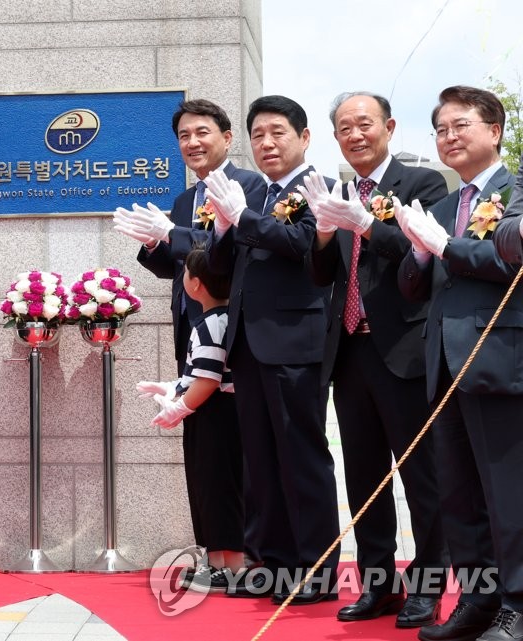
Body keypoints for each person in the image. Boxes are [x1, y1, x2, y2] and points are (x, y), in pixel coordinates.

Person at [299, 91, 449, 628]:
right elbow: (323, 277)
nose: (355, 135)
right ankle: (378, 584)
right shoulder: (336, 193)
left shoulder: (422, 183)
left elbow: (419, 253)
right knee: (363, 478)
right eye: (344, 128)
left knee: (422, 477)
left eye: (364, 124)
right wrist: (321, 233)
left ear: (388, 126)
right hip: (349, 352)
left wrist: (364, 223)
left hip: (404, 352)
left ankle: (429, 588)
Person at [395, 86, 523, 641]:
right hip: (443, 365)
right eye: (441, 128)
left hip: (499, 361)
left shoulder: (517, 192)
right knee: (459, 493)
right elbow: (411, 285)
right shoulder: (443, 206)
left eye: (461, 125)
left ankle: (517, 606)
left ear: (494, 130)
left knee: (508, 494)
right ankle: (477, 598)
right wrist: (421, 251)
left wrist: (444, 246)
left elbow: (508, 258)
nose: (449, 136)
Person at [204, 95, 339, 605]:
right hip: (248, 344)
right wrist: (221, 227)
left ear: (304, 138)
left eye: (277, 132)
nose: (266, 143)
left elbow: (307, 244)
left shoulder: (315, 189)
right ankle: (274, 565)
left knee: (300, 457)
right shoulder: (255, 195)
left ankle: (316, 570)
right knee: (259, 461)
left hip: (294, 344)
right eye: (258, 134)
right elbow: (221, 266)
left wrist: (242, 219)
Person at [114, 98, 266, 376]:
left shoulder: (246, 184)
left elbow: (233, 250)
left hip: (229, 326)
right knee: (193, 415)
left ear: (227, 138)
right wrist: (154, 244)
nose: (192, 142)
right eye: (184, 136)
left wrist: (172, 232)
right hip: (187, 325)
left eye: (202, 133)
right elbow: (175, 267)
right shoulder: (184, 200)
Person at [135, 246, 243, 593]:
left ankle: (230, 567)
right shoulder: (218, 319)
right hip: (210, 412)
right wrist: (171, 388)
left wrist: (180, 407)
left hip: (216, 416)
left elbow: (210, 380)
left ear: (195, 284)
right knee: (208, 488)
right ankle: (217, 564)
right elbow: (200, 374)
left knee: (217, 489)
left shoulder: (212, 322)